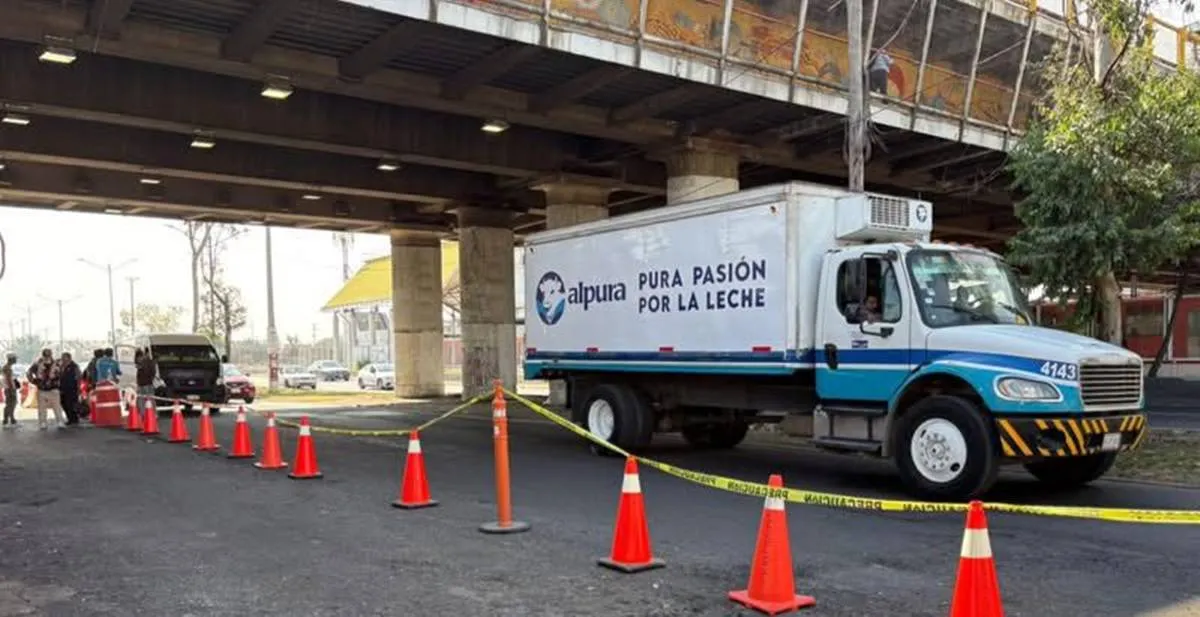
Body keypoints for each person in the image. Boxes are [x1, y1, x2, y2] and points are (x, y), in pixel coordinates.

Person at [28, 348, 66, 430]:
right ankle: (43, 422)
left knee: (57, 406)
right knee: (42, 407)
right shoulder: (37, 364)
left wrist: (58, 381)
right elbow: (29, 373)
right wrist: (34, 381)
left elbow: (62, 374)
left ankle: (59, 421)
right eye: (46, 355)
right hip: (42, 389)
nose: (47, 356)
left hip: (53, 389)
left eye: (48, 354)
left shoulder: (56, 363)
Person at [58, 352, 81, 425]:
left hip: (72, 388)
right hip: (63, 388)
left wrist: (78, 387)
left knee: (71, 404)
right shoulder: (61, 366)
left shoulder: (74, 366)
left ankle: (74, 419)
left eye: (64, 357)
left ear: (69, 358)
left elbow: (79, 377)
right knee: (63, 403)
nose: (62, 359)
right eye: (62, 357)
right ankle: (69, 417)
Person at [135, 348, 157, 412]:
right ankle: (153, 413)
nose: (137, 359)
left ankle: (144, 413)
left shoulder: (143, 363)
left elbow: (148, 372)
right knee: (151, 399)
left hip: (143, 384)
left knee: (142, 399)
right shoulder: (150, 361)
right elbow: (153, 372)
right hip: (148, 383)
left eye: (138, 357)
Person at [2, 353, 18, 427]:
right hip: (9, 389)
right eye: (15, 358)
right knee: (10, 404)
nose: (16, 360)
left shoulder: (7, 367)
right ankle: (6, 421)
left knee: (12, 404)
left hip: (9, 388)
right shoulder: (7, 368)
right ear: (11, 359)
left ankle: (12, 419)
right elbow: (8, 379)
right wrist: (12, 389)